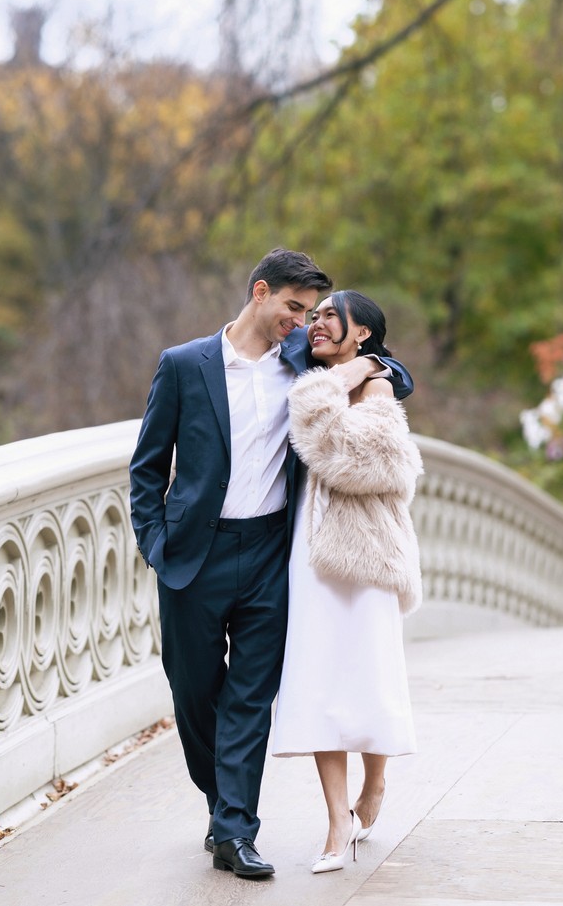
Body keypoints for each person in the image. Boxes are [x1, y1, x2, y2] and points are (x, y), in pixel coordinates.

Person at [129, 250, 413, 880]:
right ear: (259, 293)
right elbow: (147, 465)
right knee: (195, 693)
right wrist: (154, 540)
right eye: (293, 308)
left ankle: (236, 829)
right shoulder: (183, 366)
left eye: (310, 313)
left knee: (250, 698)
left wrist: (369, 361)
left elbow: (392, 373)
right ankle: (220, 800)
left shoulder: (300, 365)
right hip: (192, 557)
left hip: (269, 555)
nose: (302, 323)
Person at [271, 290, 422, 874]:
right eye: (314, 315)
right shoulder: (324, 373)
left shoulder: (378, 388)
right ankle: (336, 821)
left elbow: (357, 462)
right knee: (316, 682)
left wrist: (357, 373)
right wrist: (346, 371)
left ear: (362, 333)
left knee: (370, 674)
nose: (317, 322)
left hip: (365, 557)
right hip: (308, 556)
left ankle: (376, 782)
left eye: (331, 314)